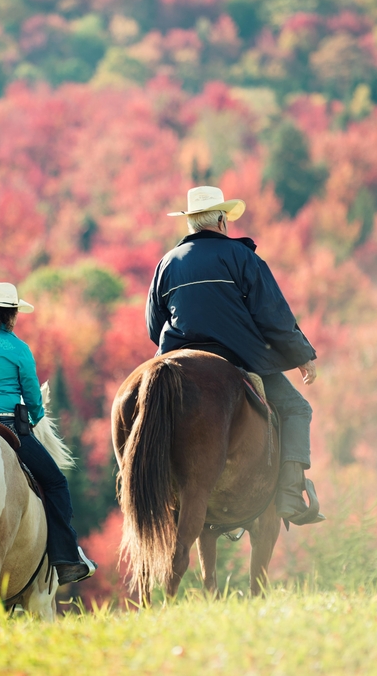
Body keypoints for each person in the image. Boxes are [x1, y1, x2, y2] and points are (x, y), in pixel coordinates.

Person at [146, 186, 325, 526]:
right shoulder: (243, 258)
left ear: (191, 223)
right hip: (237, 357)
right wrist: (301, 354)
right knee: (297, 408)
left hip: (174, 358)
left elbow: (153, 326)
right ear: (222, 220)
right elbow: (272, 315)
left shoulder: (166, 263)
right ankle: (289, 495)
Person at [0, 282, 96, 584]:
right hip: (6, 425)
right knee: (56, 483)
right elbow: (33, 396)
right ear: (10, 314)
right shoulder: (18, 349)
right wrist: (36, 417)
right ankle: (65, 558)